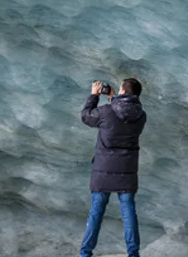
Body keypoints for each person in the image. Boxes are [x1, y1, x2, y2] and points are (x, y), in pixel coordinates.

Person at [79, 78, 147, 257]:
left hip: (104, 170)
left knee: (96, 214)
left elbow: (86, 116)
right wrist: (113, 99)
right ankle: (133, 254)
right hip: (127, 171)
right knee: (129, 214)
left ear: (123, 92)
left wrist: (94, 95)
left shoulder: (106, 112)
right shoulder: (141, 116)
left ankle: (85, 254)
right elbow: (124, 114)